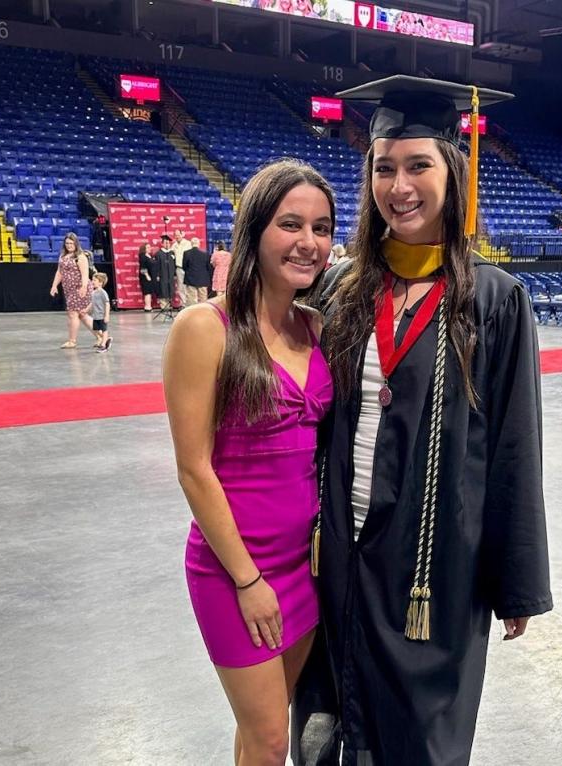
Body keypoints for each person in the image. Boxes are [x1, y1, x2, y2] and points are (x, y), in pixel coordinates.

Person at [293, 75, 553, 765]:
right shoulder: (344, 288)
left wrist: (517, 577)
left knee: (419, 737)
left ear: (452, 172)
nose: (398, 186)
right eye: (383, 168)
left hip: (434, 564)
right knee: (329, 724)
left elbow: (513, 445)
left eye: (417, 166)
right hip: (338, 555)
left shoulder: (494, 299)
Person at [162, 159, 335, 766]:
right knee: (268, 739)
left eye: (321, 227)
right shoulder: (203, 328)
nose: (308, 243)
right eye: (291, 224)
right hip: (235, 572)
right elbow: (193, 469)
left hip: (304, 570)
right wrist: (248, 581)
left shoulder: (314, 326)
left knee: (262, 729)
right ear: (255, 230)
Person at [49, 232, 94, 349]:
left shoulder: (80, 257)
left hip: (79, 288)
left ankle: (72, 341)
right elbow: (59, 272)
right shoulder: (63, 256)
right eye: (67, 243)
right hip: (69, 290)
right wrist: (54, 286)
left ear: (76, 243)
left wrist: (83, 288)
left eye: (71, 243)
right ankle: (101, 336)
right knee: (82, 315)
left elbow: (85, 274)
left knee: (73, 313)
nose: (69, 245)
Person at [182, 236, 212, 306]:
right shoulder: (205, 254)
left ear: (191, 244)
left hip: (190, 279)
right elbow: (208, 267)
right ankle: (203, 311)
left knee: (191, 298)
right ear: (199, 244)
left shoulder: (186, 253)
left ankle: (192, 312)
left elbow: (184, 266)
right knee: (203, 298)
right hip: (203, 279)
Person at [89, 272, 112, 352]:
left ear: (100, 283)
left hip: (102, 315)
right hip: (95, 316)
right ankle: (106, 339)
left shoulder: (103, 293)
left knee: (104, 330)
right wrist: (86, 309)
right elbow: (92, 303)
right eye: (92, 280)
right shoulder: (93, 293)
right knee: (95, 330)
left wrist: (107, 315)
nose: (92, 282)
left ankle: (103, 345)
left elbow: (107, 304)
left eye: (94, 280)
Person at [155, 234, 177, 310]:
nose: (167, 244)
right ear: (162, 244)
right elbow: (156, 266)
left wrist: (174, 274)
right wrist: (157, 275)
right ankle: (163, 305)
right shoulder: (158, 254)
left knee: (170, 288)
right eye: (165, 243)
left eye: (168, 243)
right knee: (163, 289)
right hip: (162, 275)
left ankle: (169, 304)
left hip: (170, 275)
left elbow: (174, 264)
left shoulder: (172, 253)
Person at [173, 229, 193, 306]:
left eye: (178, 235)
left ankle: (190, 303)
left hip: (188, 268)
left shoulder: (188, 244)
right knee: (180, 286)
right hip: (179, 268)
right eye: (175, 235)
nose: (177, 237)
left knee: (189, 286)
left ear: (182, 235)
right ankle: (183, 303)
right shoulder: (174, 245)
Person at [138, 241, 158, 312]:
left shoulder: (149, 256)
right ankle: (147, 307)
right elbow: (142, 268)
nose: (150, 248)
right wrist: (147, 276)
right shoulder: (143, 256)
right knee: (147, 292)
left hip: (151, 276)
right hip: (146, 277)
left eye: (150, 247)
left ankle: (148, 306)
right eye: (148, 247)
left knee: (149, 291)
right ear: (144, 249)